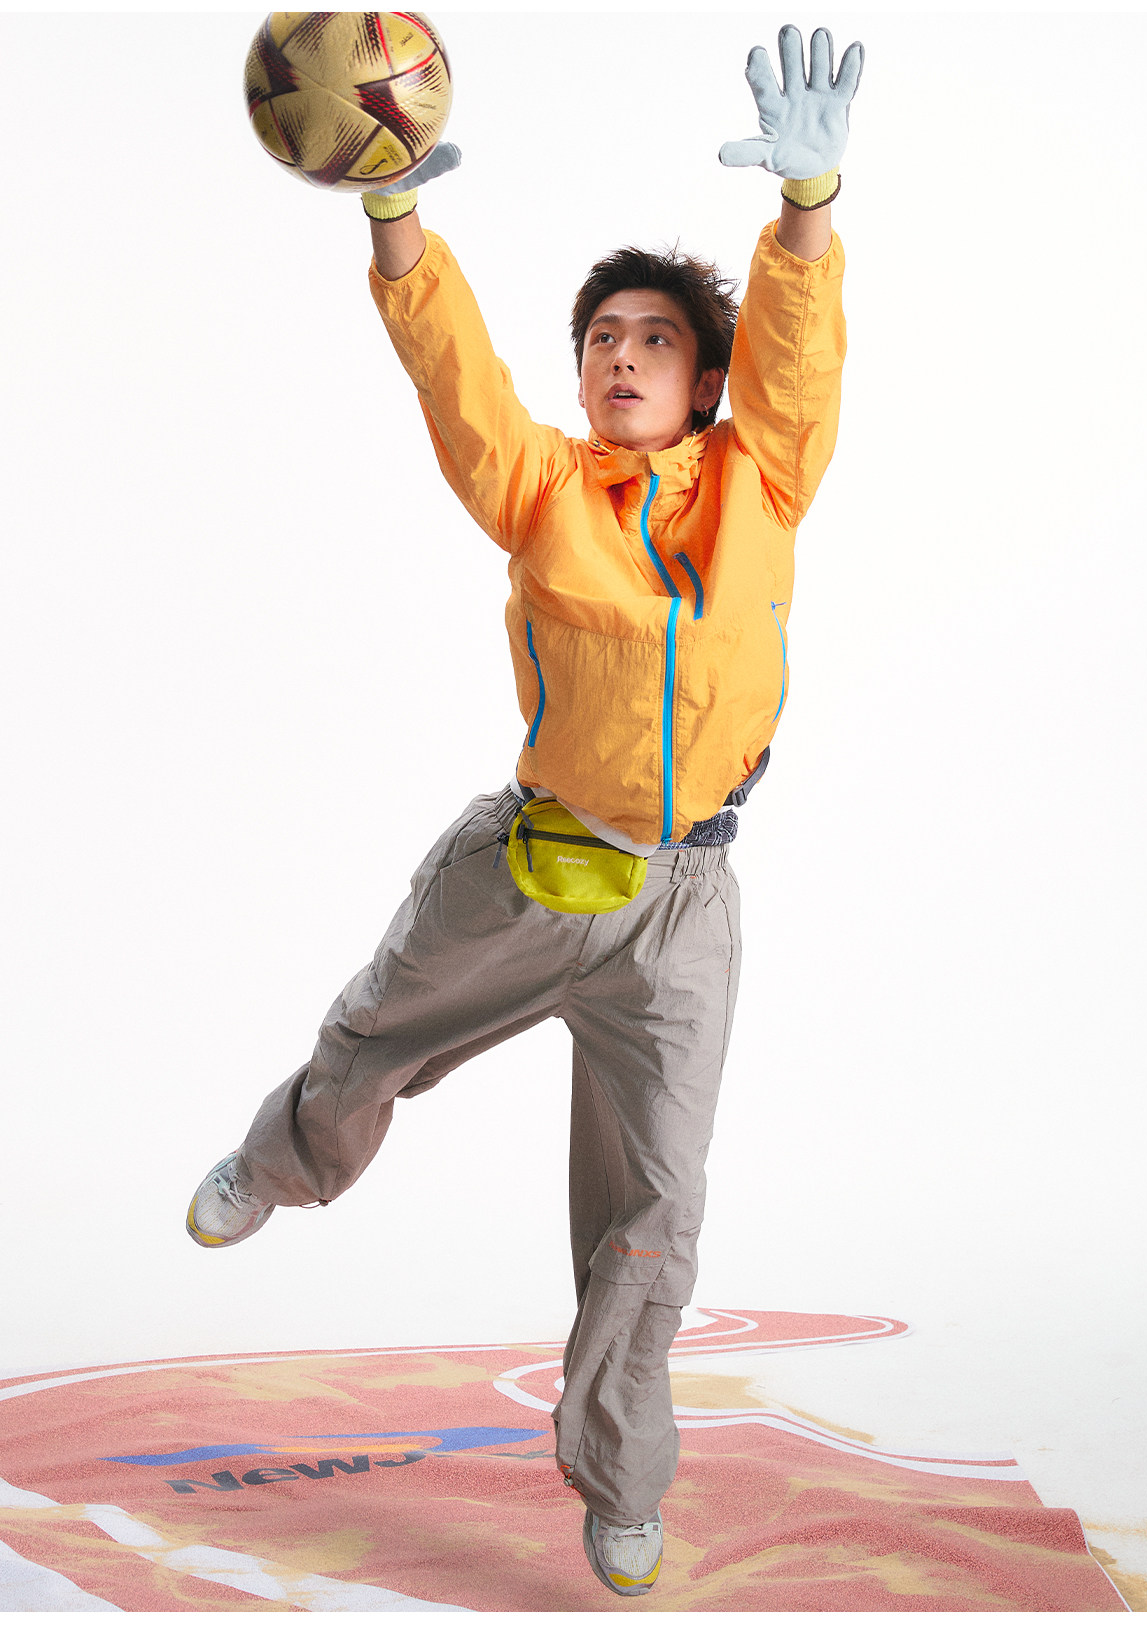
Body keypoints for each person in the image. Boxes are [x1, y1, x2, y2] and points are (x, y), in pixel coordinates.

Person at [186, 22, 862, 1599]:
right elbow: (456, 378)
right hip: (527, 872)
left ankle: (621, 1482)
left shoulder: (764, 481)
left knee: (658, 1214)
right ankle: (277, 1165)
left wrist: (808, 210)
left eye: (652, 341)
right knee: (375, 1040)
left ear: (703, 381)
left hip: (683, 913)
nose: (619, 359)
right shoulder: (541, 488)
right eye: (600, 341)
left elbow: (800, 356)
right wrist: (394, 213)